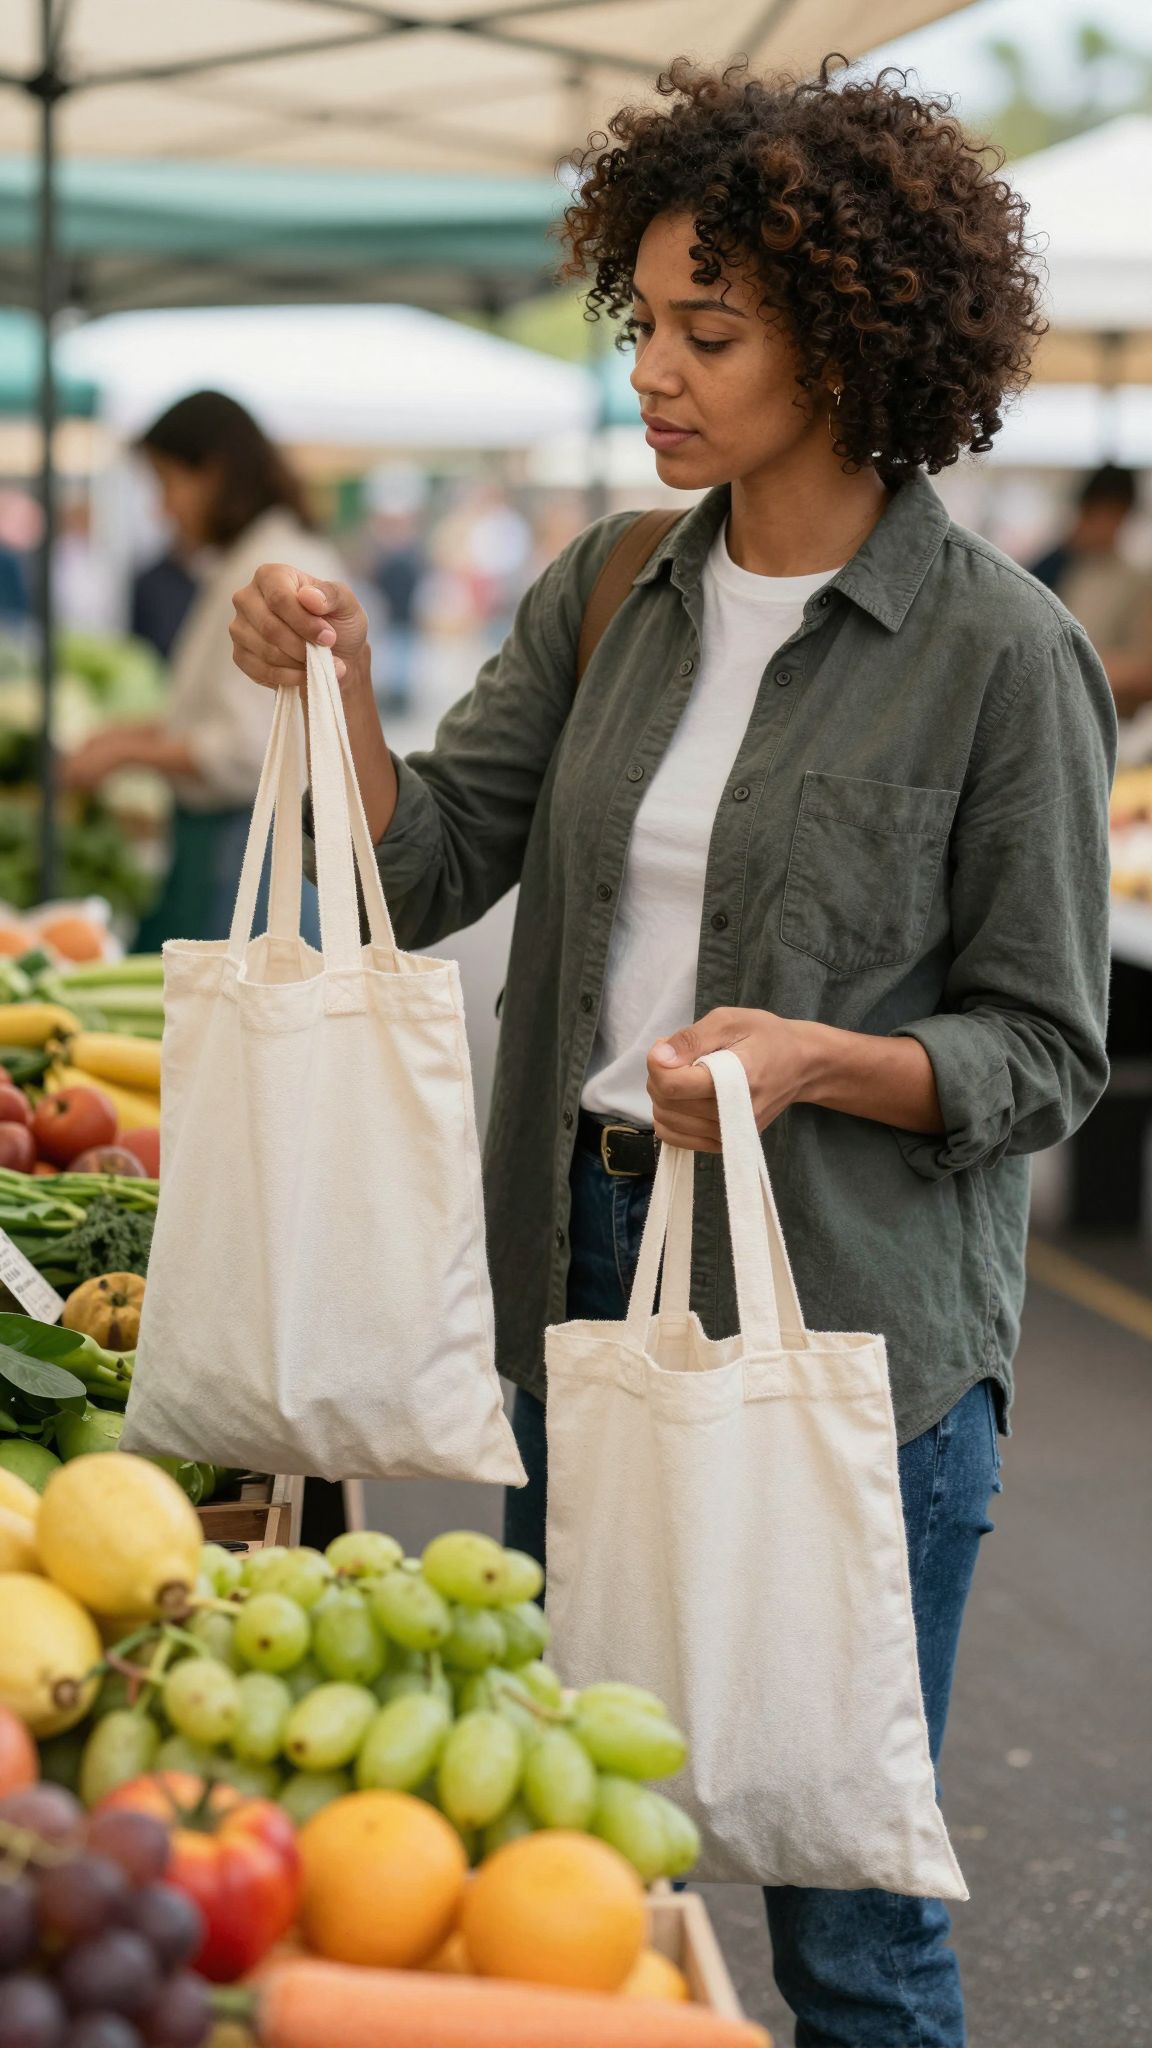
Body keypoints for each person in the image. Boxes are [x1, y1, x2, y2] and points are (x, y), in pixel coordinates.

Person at [229, 61, 1115, 2048]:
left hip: (849, 1347)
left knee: (844, 1917)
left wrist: (815, 1063)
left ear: (854, 329)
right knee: (579, 1881)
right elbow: (430, 856)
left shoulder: (1002, 657)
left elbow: (1047, 1053)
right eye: (644, 324)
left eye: (710, 329)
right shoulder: (616, 587)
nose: (658, 370)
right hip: (584, 1281)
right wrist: (336, 685)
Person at [63, 390, 343, 945]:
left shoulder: (277, 569)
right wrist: (125, 738)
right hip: (229, 847)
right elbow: (211, 716)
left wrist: (126, 751)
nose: (162, 509)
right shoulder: (244, 561)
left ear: (212, 474)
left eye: (167, 485)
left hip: (248, 855)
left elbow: (245, 751)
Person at [1029, 462, 1152, 751]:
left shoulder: (1135, 582)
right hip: (1048, 725)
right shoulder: (1051, 567)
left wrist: (1065, 668)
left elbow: (1143, 673)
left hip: (1111, 733)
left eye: (1110, 515)